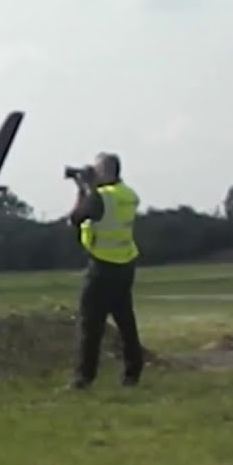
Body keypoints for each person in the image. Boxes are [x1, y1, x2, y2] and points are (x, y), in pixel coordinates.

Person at [67, 152, 144, 388]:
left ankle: (83, 378)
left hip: (102, 265)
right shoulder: (128, 195)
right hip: (125, 262)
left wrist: (82, 188)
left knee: (90, 323)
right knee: (125, 321)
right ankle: (133, 371)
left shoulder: (102, 198)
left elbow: (76, 217)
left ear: (106, 171)